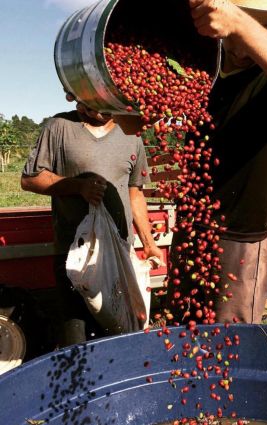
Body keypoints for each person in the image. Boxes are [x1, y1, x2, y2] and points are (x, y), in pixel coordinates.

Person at [166, 0, 267, 324]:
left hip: (241, 238)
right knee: (183, 332)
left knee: (229, 350)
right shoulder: (200, 67)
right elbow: (134, 120)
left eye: (259, 26)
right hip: (190, 229)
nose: (241, 44)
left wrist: (240, 22)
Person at [21, 99, 163, 347]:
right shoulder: (59, 126)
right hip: (75, 256)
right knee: (77, 337)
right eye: (88, 102)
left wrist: (149, 243)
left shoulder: (130, 132)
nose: (96, 109)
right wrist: (78, 187)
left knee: (118, 334)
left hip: (119, 254)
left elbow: (135, 193)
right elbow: (30, 179)